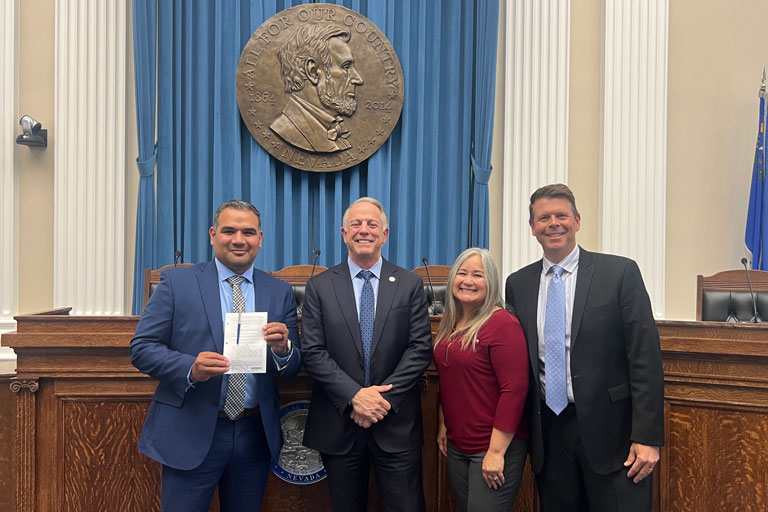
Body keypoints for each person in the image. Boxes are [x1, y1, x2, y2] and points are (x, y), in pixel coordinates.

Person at [130, 200, 302, 512]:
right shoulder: (177, 283)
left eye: (248, 232)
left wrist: (283, 350)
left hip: (253, 433)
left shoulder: (279, 291)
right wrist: (189, 368)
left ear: (260, 238)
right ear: (212, 235)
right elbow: (141, 348)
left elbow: (293, 365)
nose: (239, 239)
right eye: (229, 231)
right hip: (191, 429)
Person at [505, 184, 664, 512]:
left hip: (614, 435)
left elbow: (645, 358)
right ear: (532, 228)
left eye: (562, 215)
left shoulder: (619, 273)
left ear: (577, 220)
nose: (553, 223)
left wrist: (647, 436)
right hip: (549, 433)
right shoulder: (518, 283)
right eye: (543, 217)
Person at [301, 197, 433, 512]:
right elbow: (314, 351)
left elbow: (419, 348)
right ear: (344, 233)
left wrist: (380, 400)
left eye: (372, 224)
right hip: (339, 422)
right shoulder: (319, 286)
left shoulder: (410, 284)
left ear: (385, 234)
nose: (364, 231)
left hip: (396, 422)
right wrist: (354, 397)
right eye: (356, 225)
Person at [434, 248, 529, 512]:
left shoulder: (503, 324)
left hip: (493, 446)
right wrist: (443, 424)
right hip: (457, 443)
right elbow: (449, 378)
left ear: (492, 283)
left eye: (478, 275)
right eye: (462, 273)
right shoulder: (452, 324)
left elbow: (515, 390)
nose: (468, 281)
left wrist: (496, 452)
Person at [270, 25, 364, 153]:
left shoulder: (336, 131)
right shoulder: (286, 129)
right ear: (313, 72)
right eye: (346, 67)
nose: (358, 79)